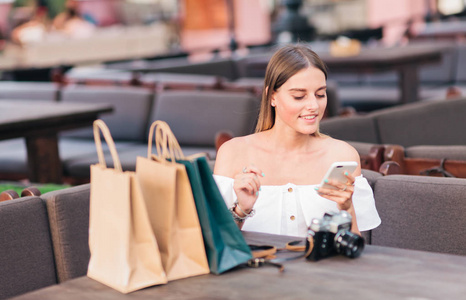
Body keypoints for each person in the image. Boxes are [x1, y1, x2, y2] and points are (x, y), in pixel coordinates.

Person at [213, 44, 381, 238]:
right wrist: (241, 210)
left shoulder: (342, 156)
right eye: (299, 96)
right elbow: (218, 245)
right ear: (271, 97)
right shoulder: (233, 153)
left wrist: (346, 209)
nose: (313, 106)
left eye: (320, 94)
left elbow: (356, 249)